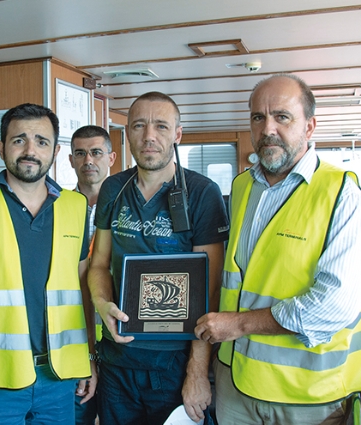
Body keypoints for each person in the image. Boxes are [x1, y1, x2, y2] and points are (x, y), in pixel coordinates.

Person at [194, 74, 361, 425]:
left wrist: (240, 325)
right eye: (258, 118)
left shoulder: (341, 195)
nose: (268, 129)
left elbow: (334, 306)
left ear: (310, 127)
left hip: (306, 396)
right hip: (236, 384)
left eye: (282, 117)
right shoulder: (242, 187)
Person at [0, 103, 96, 425]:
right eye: (18, 140)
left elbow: (83, 289)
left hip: (60, 376)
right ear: (1, 147)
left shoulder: (76, 207)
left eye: (41, 141)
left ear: (55, 151)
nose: (30, 150)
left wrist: (89, 358)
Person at [88, 92, 229, 425]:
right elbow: (98, 264)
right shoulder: (113, 189)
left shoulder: (201, 192)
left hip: (174, 366)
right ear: (128, 134)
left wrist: (197, 372)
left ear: (177, 134)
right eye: (139, 126)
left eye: (161, 126)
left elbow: (210, 293)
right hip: (117, 361)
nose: (149, 136)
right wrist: (101, 302)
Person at [68, 125, 116, 425]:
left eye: (96, 152)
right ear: (71, 160)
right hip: (73, 333)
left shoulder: (126, 209)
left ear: (110, 158)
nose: (89, 160)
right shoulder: (56, 207)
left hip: (116, 336)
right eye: (80, 153)